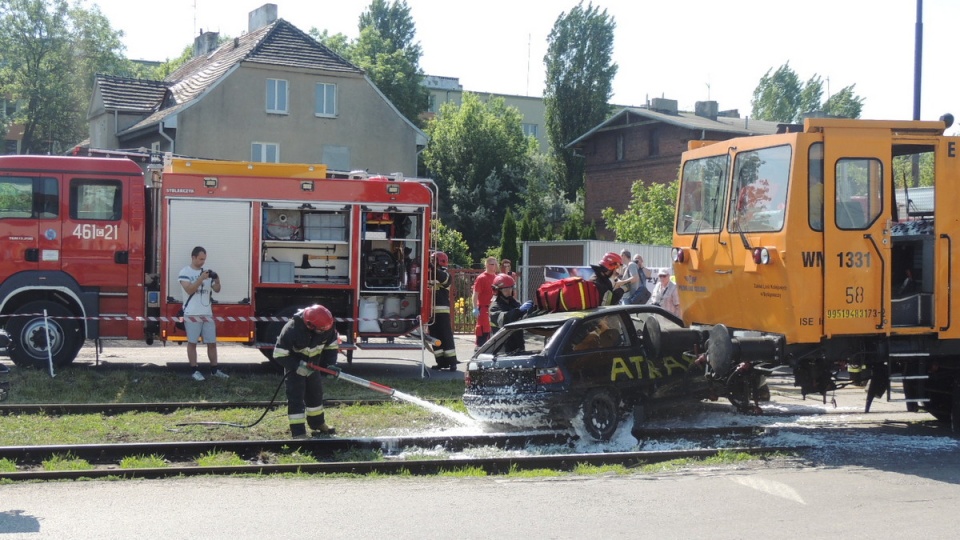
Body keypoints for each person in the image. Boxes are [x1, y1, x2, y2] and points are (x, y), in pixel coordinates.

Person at [273, 304, 339, 439]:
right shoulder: (291, 329)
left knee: (315, 395)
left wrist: (331, 365)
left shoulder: (327, 326)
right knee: (296, 398)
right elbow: (279, 354)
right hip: (294, 369)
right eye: (320, 330)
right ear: (310, 325)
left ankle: (318, 424)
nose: (323, 332)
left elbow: (331, 347)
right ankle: (298, 432)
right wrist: (297, 367)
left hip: (314, 367)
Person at [178, 246, 226, 381]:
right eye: (200, 259)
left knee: (212, 343)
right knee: (192, 343)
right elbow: (189, 290)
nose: (202, 262)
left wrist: (217, 280)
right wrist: (200, 279)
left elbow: (217, 290)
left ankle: (214, 370)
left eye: (204, 259)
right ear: (193, 257)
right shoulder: (185, 272)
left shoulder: (206, 272)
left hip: (207, 313)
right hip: (191, 314)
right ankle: (194, 370)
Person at [428, 251, 458, 371]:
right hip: (431, 312)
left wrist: (430, 267)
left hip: (442, 312)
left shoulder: (445, 275)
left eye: (433, 260)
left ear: (440, 261)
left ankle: (452, 362)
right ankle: (441, 362)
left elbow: (441, 277)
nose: (431, 263)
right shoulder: (431, 274)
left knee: (446, 336)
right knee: (435, 338)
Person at [489, 273, 534, 353]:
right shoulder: (494, 307)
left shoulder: (515, 303)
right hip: (502, 349)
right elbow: (504, 319)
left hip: (518, 346)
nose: (509, 291)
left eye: (510, 288)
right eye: (505, 289)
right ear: (498, 291)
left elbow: (523, 319)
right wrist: (519, 311)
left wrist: (530, 311)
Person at [472, 257, 498, 347]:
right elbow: (475, 294)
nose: (494, 266)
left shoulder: (496, 278)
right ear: (486, 265)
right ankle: (479, 350)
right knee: (483, 332)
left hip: (494, 309)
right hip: (484, 309)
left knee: (494, 332)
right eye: (492, 264)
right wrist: (475, 308)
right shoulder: (481, 278)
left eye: (495, 264)